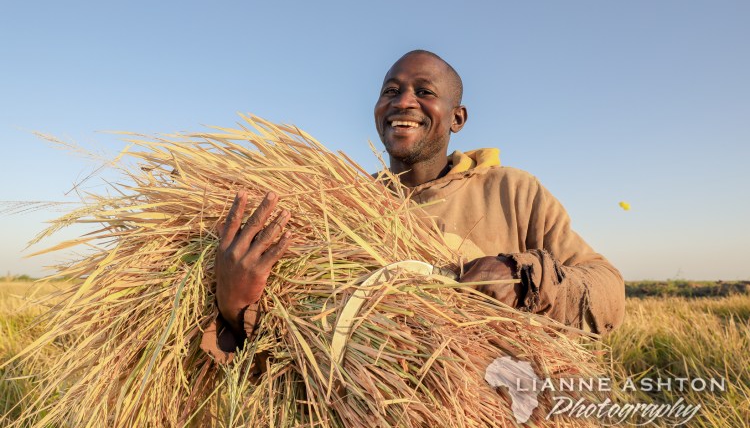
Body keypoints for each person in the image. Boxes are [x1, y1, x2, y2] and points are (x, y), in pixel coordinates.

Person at [201, 50, 625, 362]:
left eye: (424, 92)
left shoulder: (512, 191)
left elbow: (608, 292)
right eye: (391, 91)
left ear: (457, 118)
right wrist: (235, 306)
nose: (403, 102)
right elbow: (293, 353)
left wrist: (523, 279)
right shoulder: (339, 208)